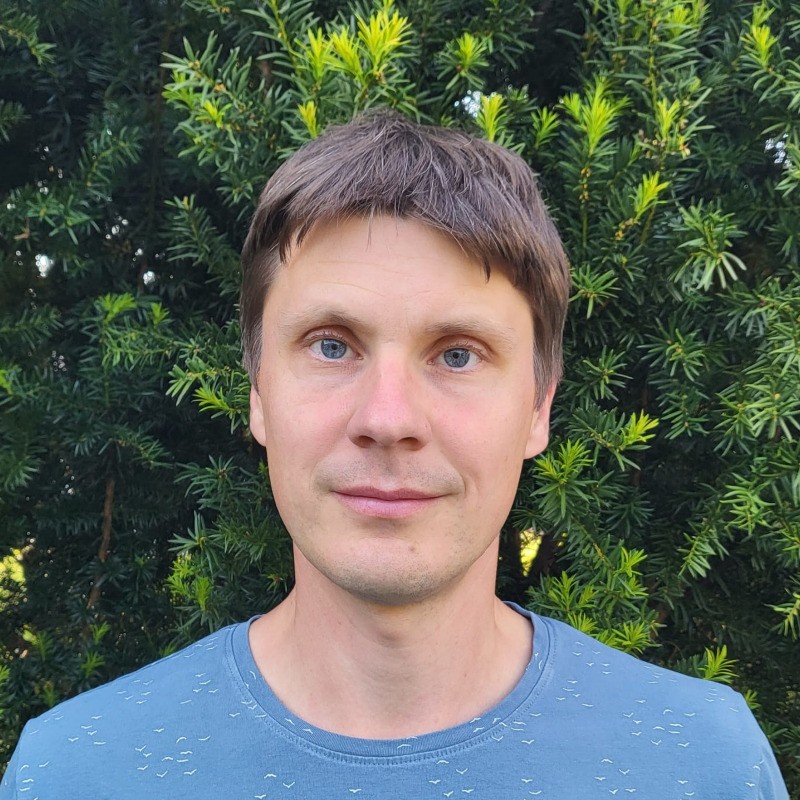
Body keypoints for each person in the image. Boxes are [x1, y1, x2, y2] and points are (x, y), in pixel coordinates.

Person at [1, 112, 788, 799]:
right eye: (331, 345)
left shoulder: (705, 765)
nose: (387, 419)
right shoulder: (74, 774)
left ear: (538, 409)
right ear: (259, 394)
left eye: (458, 354)